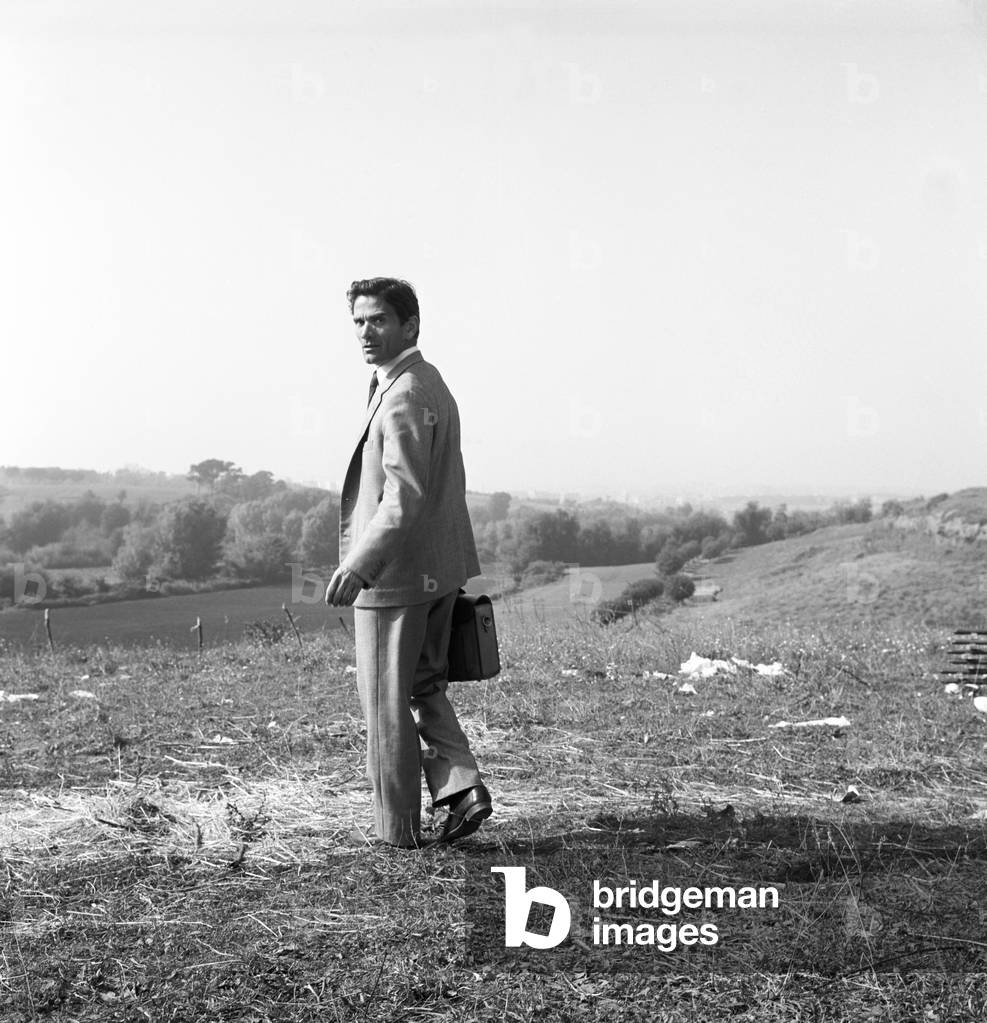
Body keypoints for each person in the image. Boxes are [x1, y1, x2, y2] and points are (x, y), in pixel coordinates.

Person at [325, 277, 492, 849]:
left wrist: (361, 564)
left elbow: (405, 494)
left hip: (397, 578)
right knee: (422, 683)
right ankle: (463, 788)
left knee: (384, 702)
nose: (365, 333)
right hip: (438, 568)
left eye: (378, 321)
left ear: (409, 326)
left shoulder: (401, 394)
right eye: (358, 322)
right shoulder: (428, 381)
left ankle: (396, 833)